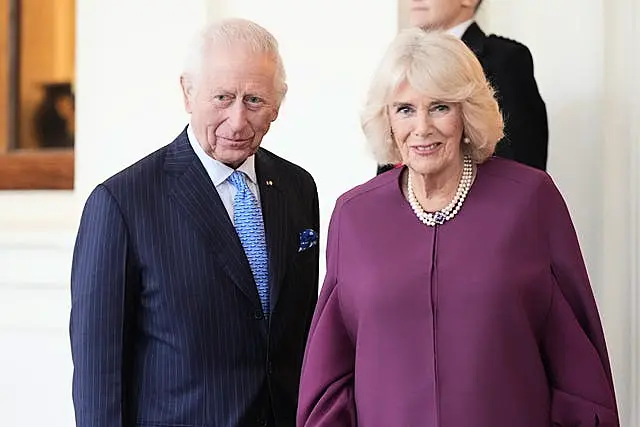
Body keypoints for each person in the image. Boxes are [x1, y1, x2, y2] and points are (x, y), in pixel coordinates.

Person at [298, 29, 618, 427]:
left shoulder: (529, 201)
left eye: (440, 107)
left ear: (466, 113)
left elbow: (578, 368)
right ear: (387, 120)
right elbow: (329, 379)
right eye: (405, 109)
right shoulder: (354, 216)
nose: (422, 127)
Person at [70, 18, 320, 427]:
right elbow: (99, 376)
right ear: (188, 92)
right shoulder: (121, 203)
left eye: (255, 100)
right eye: (222, 97)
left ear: (279, 102)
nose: (238, 121)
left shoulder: (297, 188)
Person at [377, 0, 548, 174]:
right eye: (406, 109)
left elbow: (522, 168)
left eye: (441, 107)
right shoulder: (399, 61)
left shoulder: (505, 60)